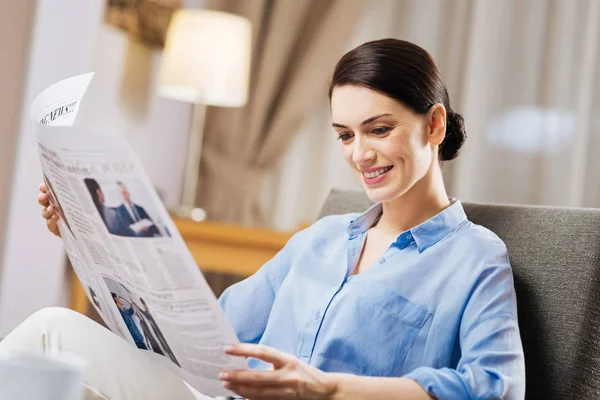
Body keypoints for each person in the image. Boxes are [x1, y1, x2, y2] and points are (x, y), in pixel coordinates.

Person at [6, 38, 525, 399]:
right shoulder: (319, 241)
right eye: (345, 135)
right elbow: (210, 345)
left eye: (379, 129)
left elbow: (496, 389)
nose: (360, 154)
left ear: (433, 124)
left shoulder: (475, 257)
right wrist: (91, 242)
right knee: (51, 332)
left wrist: (325, 389)